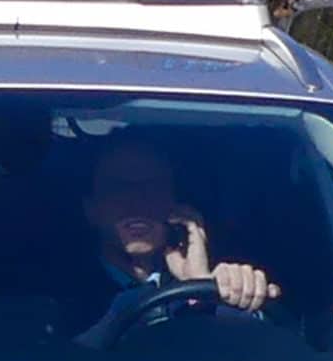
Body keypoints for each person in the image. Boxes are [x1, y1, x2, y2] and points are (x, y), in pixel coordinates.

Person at [66, 138, 279, 344]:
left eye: (152, 186)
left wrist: (203, 288)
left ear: (176, 203)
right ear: (91, 209)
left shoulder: (217, 276)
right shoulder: (57, 290)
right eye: (119, 187)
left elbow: (263, 358)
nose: (137, 201)